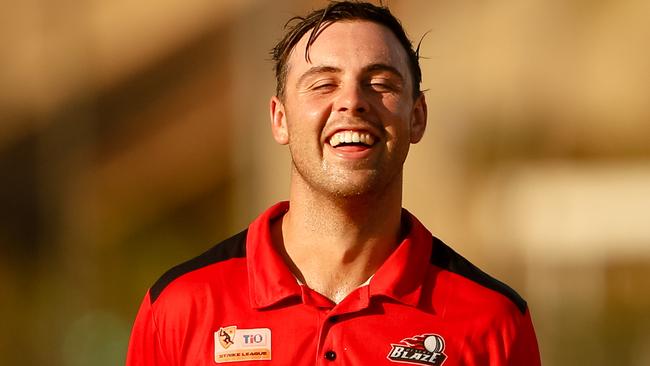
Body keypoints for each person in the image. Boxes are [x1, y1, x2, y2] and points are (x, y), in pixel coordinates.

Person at [126, 1, 541, 365]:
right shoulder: (180, 306)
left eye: (380, 83)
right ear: (280, 119)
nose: (352, 101)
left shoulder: (493, 320)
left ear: (417, 117)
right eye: (324, 84)